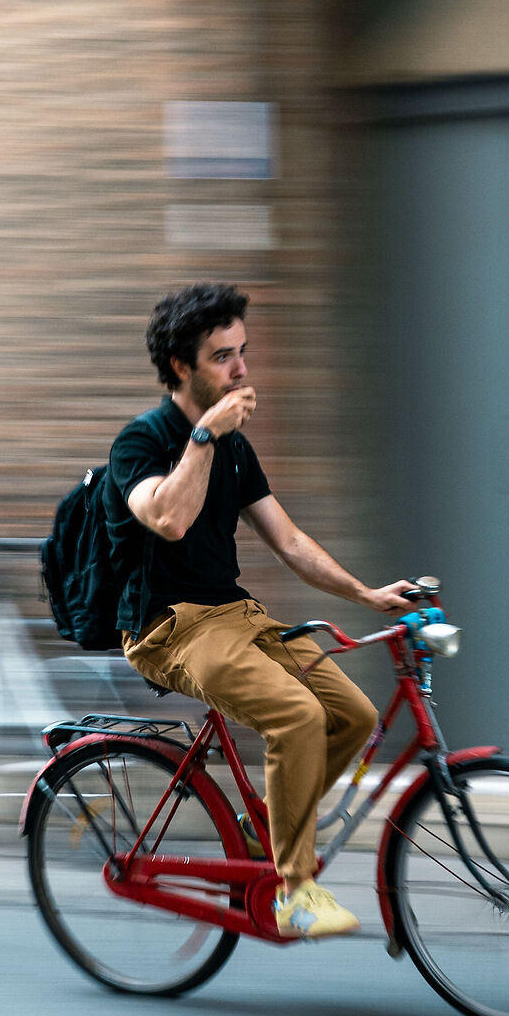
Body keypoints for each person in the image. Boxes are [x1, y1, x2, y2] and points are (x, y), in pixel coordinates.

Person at [109, 283, 421, 940]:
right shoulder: (140, 442)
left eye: (242, 352)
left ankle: (268, 833)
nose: (241, 369)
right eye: (223, 357)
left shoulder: (236, 449)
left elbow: (290, 542)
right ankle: (293, 890)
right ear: (180, 366)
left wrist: (366, 595)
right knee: (298, 717)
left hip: (235, 614)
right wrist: (203, 435)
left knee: (354, 715)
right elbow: (168, 518)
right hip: (169, 629)